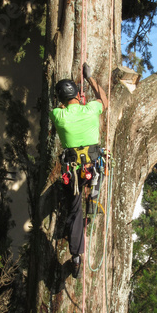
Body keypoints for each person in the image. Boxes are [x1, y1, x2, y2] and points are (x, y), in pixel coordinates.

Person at [49, 63, 108, 279]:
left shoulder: (58, 115)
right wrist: (90, 79)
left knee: (74, 212)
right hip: (92, 167)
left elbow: (61, 110)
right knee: (98, 166)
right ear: (77, 93)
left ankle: (76, 257)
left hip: (72, 173)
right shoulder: (92, 109)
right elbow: (105, 101)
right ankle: (94, 194)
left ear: (60, 99)